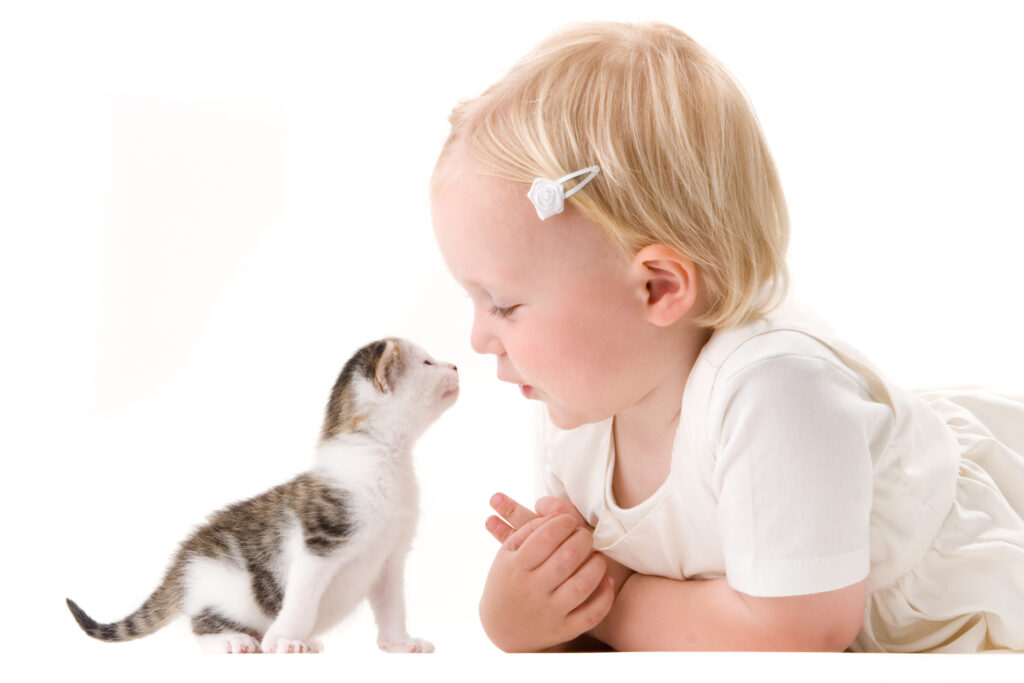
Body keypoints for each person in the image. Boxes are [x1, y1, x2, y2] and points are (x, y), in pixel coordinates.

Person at [429, 21, 1024, 652]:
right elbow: (636, 622)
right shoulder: (579, 409)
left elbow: (794, 638)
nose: (477, 339)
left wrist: (608, 603)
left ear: (658, 288)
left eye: (503, 304)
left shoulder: (776, 390)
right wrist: (526, 612)